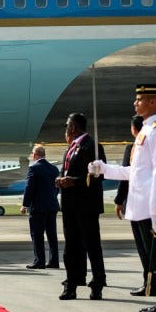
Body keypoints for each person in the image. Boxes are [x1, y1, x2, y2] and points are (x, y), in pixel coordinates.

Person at [90, 86, 156, 312]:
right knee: (152, 259)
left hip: (151, 207)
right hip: (139, 207)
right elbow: (134, 172)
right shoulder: (145, 132)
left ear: (152, 103)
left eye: (140, 100)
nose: (135, 104)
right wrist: (104, 169)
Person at [59, 113, 106, 300]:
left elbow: (98, 176)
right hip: (70, 205)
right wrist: (61, 180)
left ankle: (98, 283)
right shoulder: (70, 149)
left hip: (86, 205)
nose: (65, 130)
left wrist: (74, 182)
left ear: (73, 127)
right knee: (71, 246)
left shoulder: (92, 146)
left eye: (66, 126)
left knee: (92, 245)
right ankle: (72, 283)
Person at [114, 116, 147, 294]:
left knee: (144, 247)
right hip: (153, 203)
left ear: (134, 129)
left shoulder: (133, 147)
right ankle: (152, 283)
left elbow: (125, 177)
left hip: (139, 204)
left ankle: (149, 283)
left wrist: (119, 200)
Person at [21, 145, 60, 269]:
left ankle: (39, 261)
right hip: (52, 206)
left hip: (38, 207)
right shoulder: (54, 169)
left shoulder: (34, 168)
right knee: (52, 235)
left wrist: (25, 205)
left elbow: (29, 188)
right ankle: (54, 261)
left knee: (37, 235)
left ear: (34, 155)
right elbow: (57, 188)